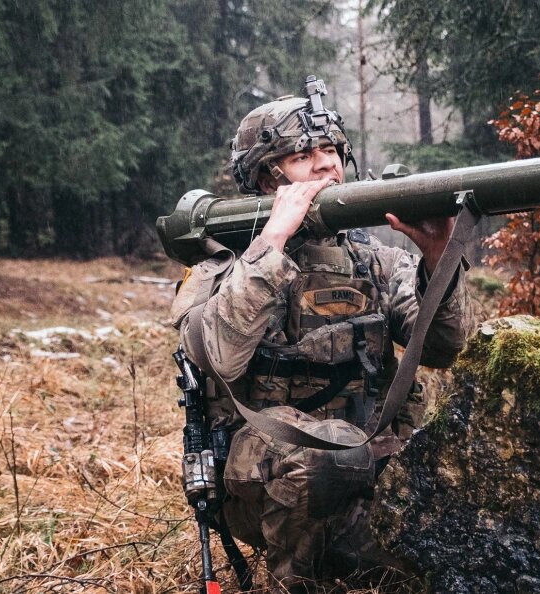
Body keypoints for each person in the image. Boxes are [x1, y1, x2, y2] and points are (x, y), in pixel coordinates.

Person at [170, 77, 473, 590]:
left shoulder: (375, 262)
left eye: (331, 149)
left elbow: (446, 348)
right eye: (303, 155)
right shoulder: (224, 270)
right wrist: (272, 243)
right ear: (268, 180)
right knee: (326, 452)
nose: (326, 164)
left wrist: (439, 257)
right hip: (271, 482)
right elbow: (217, 355)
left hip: (374, 465)